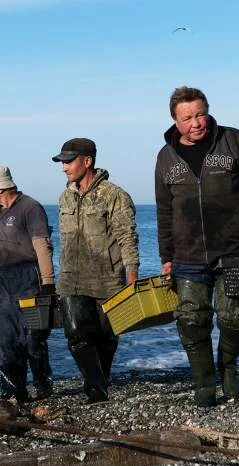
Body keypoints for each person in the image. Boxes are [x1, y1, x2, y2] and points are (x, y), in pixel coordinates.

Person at [155, 86, 239, 407]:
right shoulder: (165, 157)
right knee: (192, 321)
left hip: (235, 251)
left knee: (237, 318)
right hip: (187, 255)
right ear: (175, 121)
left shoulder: (235, 142)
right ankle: (204, 383)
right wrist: (166, 257)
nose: (196, 122)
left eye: (200, 113)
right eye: (188, 117)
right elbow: (164, 210)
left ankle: (229, 369)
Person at [51, 138, 139, 403]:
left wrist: (132, 277)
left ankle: (101, 386)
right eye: (62, 162)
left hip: (107, 279)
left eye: (68, 161)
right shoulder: (65, 197)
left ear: (87, 161)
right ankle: (94, 389)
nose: (64, 168)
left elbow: (128, 238)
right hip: (70, 278)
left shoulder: (114, 196)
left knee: (105, 337)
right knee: (76, 334)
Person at [0, 165, 55, 402]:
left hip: (29, 275)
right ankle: (12, 390)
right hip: (4, 278)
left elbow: (42, 246)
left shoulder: (30, 208)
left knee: (32, 337)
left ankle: (43, 386)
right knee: (7, 337)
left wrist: (48, 283)